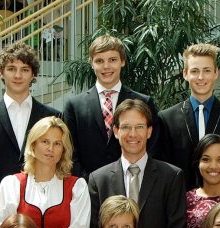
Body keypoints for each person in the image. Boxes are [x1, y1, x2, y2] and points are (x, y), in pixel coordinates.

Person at [85, 99, 187, 228]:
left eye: (139, 127)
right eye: (126, 127)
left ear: (149, 131)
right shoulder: (98, 180)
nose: (133, 134)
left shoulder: (172, 177)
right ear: (116, 131)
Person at [0, 116, 90, 228]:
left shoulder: (77, 187)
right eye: (45, 141)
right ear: (33, 145)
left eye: (57, 143)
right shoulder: (12, 184)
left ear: (63, 150)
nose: (50, 148)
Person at [62, 34, 163, 179]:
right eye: (99, 61)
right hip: (87, 186)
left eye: (112, 60)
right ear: (91, 63)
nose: (106, 66)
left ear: (123, 61)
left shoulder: (144, 102)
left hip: (134, 183)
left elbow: (154, 147)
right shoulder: (74, 106)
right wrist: (90, 183)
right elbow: (69, 152)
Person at [0, 44, 60, 198]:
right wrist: (0, 200)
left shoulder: (52, 117)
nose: (18, 75)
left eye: (24, 70)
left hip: (44, 201)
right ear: (1, 72)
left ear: (33, 75)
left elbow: (59, 161)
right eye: (11, 69)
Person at [160, 42, 220, 188]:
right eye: (195, 71)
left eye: (207, 70)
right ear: (185, 73)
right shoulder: (166, 119)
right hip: (180, 199)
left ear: (216, 73)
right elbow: (164, 169)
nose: (201, 77)